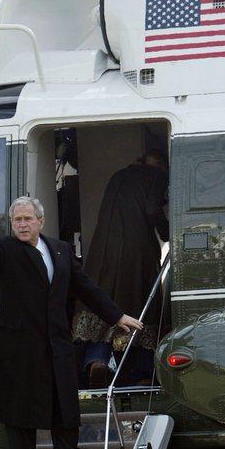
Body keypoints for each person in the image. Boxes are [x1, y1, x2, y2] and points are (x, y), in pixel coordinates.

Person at [0, 196, 142, 449]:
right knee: (19, 423)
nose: (23, 224)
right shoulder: (5, 249)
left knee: (66, 419)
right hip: (17, 353)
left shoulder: (59, 250)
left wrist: (117, 315)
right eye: (17, 219)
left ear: (40, 222)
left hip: (57, 350)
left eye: (28, 218)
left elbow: (86, 287)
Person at [73, 151, 169, 388]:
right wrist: (169, 233)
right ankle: (139, 372)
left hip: (103, 248)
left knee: (103, 303)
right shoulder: (156, 176)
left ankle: (97, 360)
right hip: (135, 251)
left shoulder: (120, 175)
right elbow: (151, 209)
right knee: (139, 305)